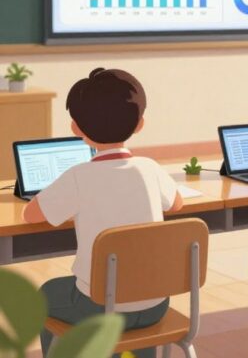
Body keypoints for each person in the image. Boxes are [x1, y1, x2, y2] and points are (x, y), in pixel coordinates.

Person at [23, 68, 183, 358]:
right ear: (140, 124)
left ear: (76, 127)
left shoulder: (78, 176)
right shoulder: (150, 168)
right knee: (131, 293)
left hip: (98, 308)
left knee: (46, 294)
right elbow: (177, 205)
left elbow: (30, 215)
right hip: (156, 306)